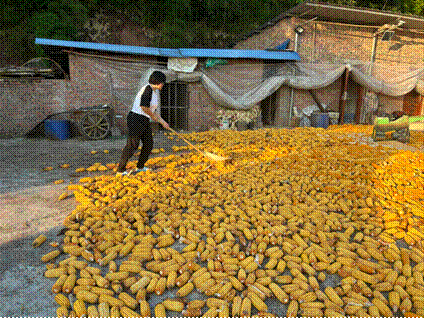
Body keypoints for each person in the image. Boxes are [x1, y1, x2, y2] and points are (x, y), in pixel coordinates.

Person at [116, 71, 169, 175]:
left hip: (144, 119)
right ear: (159, 82)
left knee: (148, 144)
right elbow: (144, 106)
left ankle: (140, 166)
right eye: (163, 82)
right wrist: (153, 116)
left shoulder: (154, 93)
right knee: (132, 145)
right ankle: (120, 170)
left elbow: (152, 112)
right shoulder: (147, 89)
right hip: (135, 118)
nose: (163, 84)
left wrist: (163, 122)